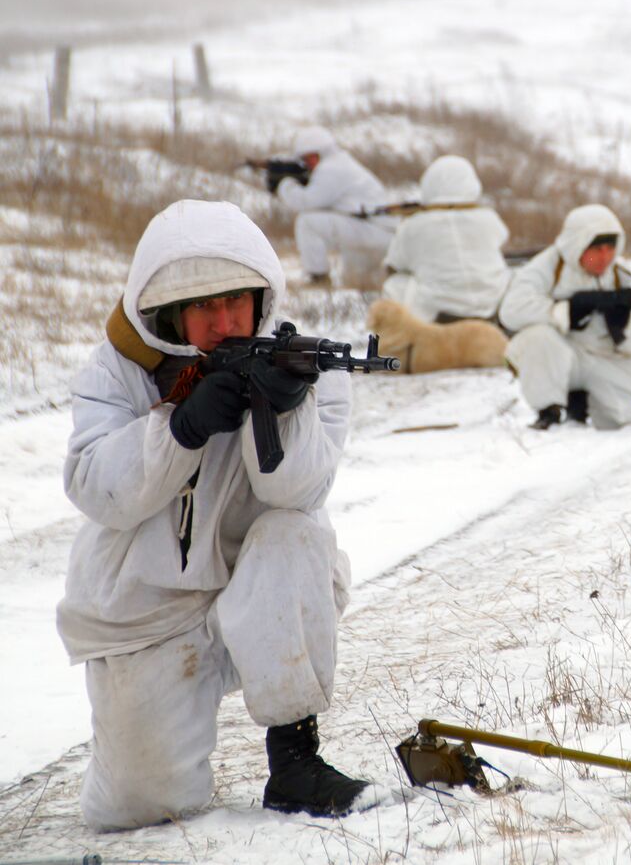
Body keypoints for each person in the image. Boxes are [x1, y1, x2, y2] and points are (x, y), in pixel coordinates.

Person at [57, 199, 378, 830]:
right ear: (170, 314)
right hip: (146, 612)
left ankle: (294, 760)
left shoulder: (307, 370)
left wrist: (283, 409)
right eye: (204, 306)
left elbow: (298, 496)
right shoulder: (117, 373)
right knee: (137, 808)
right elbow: (95, 488)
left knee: (294, 535)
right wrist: (181, 428)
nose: (225, 322)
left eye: (237, 302)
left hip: (258, 591)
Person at [499, 204, 631, 430]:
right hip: (556, 359)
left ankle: (589, 404)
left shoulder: (620, 275)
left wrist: (623, 327)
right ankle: (550, 410)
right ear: (577, 245)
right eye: (596, 249)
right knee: (538, 337)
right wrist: (565, 311)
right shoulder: (548, 266)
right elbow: (510, 311)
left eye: (610, 247)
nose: (605, 256)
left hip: (599, 358)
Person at [382, 154, 510, 323]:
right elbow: (502, 238)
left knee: (395, 284)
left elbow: (395, 264)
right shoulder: (489, 218)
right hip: (491, 303)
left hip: (437, 310)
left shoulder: (414, 224)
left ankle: (399, 340)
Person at [274, 126, 389, 285]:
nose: (307, 164)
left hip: (369, 229)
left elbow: (307, 202)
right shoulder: (342, 163)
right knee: (358, 284)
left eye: (309, 158)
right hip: (374, 230)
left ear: (321, 152)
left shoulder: (331, 169)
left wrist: (283, 185)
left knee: (307, 221)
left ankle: (317, 277)